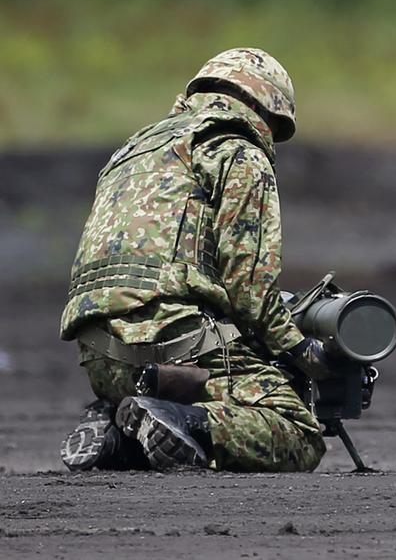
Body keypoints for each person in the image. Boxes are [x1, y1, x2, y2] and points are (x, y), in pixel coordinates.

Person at [59, 48, 332, 472]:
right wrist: (304, 354)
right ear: (266, 111)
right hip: (172, 346)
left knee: (201, 370)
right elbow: (251, 291)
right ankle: (182, 420)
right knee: (297, 431)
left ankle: (119, 430)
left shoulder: (132, 151)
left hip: (98, 357)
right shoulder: (236, 152)